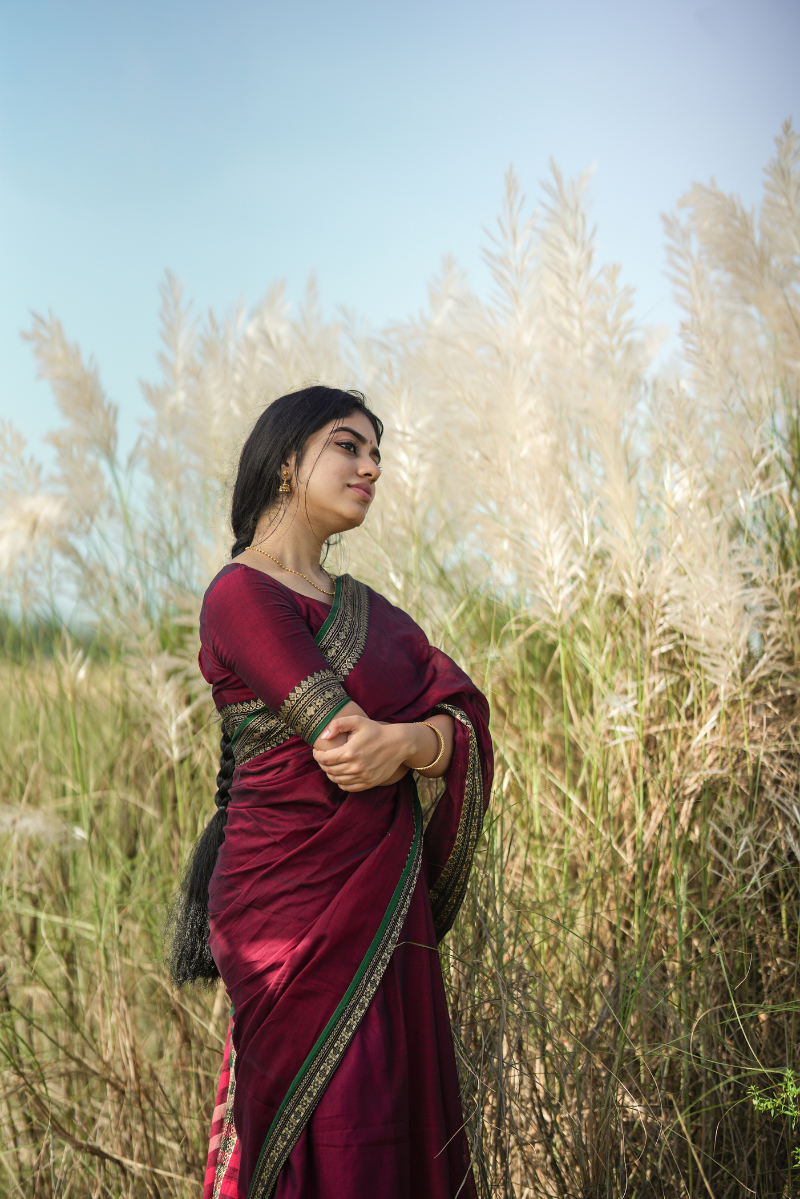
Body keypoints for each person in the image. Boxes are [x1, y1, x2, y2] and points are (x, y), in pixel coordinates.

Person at [168, 386, 493, 1199]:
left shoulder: (374, 614)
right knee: (339, 1121)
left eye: (378, 453)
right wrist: (411, 742)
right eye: (349, 445)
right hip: (287, 911)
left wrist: (410, 743)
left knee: (392, 1116)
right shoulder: (241, 594)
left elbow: (462, 715)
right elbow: (344, 740)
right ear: (287, 462)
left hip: (382, 907)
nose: (371, 466)